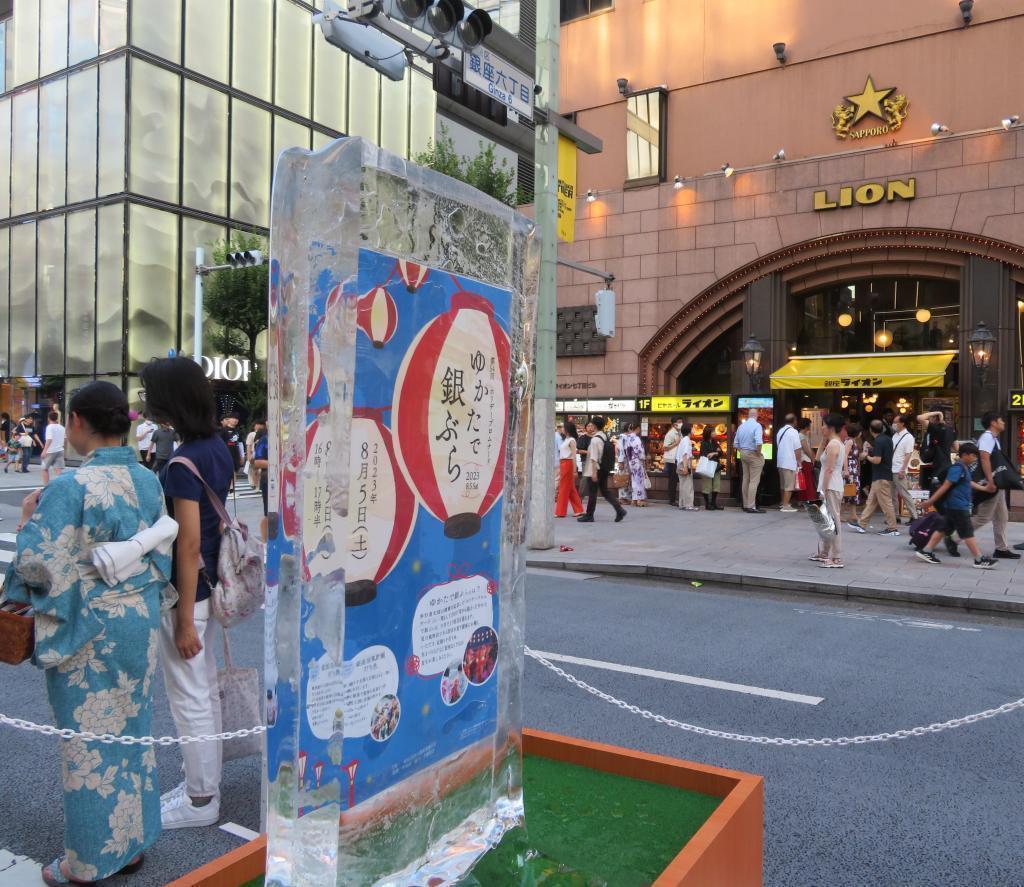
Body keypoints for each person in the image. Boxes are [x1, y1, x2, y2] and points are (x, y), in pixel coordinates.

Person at [2, 382, 170, 885]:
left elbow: (38, 562)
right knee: (133, 731)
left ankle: (90, 862)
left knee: (89, 745)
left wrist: (30, 519)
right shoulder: (146, 480)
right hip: (137, 620)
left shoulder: (69, 488)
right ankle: (132, 844)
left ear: (76, 422)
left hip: (89, 629)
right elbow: (158, 551)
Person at [140, 356, 235, 829]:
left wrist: (180, 620)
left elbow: (189, 542)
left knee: (191, 698)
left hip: (190, 596)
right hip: (212, 589)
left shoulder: (182, 461)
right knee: (202, 693)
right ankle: (202, 787)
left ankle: (201, 801)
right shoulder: (217, 447)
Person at [916, 442, 997, 569]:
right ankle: (979, 559)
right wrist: (930, 501)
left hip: (955, 505)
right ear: (965, 455)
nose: (975, 459)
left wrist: (984, 489)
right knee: (967, 532)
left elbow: (968, 482)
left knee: (943, 528)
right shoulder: (957, 468)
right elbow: (945, 486)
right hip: (958, 506)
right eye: (973, 456)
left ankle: (926, 551)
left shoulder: (963, 468)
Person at [973, 411, 1021, 560]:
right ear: (993, 422)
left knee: (1002, 516)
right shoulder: (987, 437)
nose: (1003, 423)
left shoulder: (993, 438)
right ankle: (952, 536)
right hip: (991, 483)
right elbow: (984, 458)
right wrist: (991, 481)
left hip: (995, 483)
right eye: (1001, 420)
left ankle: (1001, 548)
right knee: (983, 517)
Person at [849, 419, 899, 536]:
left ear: (871, 430)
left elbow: (877, 460)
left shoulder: (879, 441)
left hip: (881, 476)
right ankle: (862, 524)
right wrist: (871, 450)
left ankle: (892, 528)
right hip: (883, 475)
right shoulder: (887, 439)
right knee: (871, 501)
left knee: (886, 503)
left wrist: (866, 456)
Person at [578, 416, 626, 523]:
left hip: (596, 469)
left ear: (594, 425)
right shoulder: (604, 436)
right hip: (604, 468)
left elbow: (594, 457)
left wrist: (594, 472)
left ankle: (589, 515)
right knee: (604, 491)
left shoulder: (595, 439)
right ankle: (619, 510)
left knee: (592, 492)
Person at [815, 413, 846, 568]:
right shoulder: (834, 443)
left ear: (831, 427)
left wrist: (824, 489)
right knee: (829, 521)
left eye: (824, 425)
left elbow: (829, 469)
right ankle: (827, 553)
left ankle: (836, 557)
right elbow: (818, 458)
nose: (821, 428)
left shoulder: (834, 444)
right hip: (832, 485)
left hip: (831, 486)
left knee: (833, 521)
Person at [734, 408, 765, 513]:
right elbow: (759, 442)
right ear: (756, 415)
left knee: (746, 479)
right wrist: (758, 453)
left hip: (742, 453)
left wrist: (742, 451)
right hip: (753, 453)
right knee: (754, 481)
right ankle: (751, 506)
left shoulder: (741, 426)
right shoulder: (757, 426)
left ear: (748, 415)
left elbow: (735, 444)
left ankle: (746, 504)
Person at [889, 412, 918, 524]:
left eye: (896, 422)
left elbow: (908, 454)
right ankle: (895, 516)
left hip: (899, 469)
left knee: (904, 493)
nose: (894, 424)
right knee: (892, 494)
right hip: (891, 467)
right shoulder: (895, 435)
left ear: (902, 424)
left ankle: (914, 516)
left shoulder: (908, 437)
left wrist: (902, 469)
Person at [917, 410, 955, 492]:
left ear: (935, 417)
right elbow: (956, 447)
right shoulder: (951, 430)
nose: (930, 419)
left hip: (938, 466)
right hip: (948, 464)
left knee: (935, 492)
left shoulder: (936, 428)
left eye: (931, 417)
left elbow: (919, 418)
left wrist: (937, 412)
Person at [554, 420, 584, 518]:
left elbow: (574, 456)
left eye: (563, 427)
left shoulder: (572, 440)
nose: (561, 428)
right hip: (564, 463)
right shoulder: (565, 440)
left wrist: (575, 470)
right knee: (570, 488)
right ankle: (579, 510)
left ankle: (560, 512)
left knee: (563, 488)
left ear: (567, 429)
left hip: (568, 463)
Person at [775, 414, 802, 512]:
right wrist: (799, 461)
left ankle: (783, 502)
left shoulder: (780, 431)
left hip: (781, 462)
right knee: (789, 486)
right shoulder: (793, 432)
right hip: (789, 462)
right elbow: (797, 448)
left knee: (783, 485)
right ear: (794, 421)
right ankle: (786, 506)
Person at [842, 423, 864, 523]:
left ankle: (853, 514)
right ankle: (840, 513)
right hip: (850, 469)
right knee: (848, 491)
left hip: (853, 468)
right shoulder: (850, 441)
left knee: (852, 491)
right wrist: (846, 470)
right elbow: (845, 455)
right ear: (858, 433)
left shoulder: (851, 441)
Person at [698, 425, 723, 510]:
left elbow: (721, 453)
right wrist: (715, 452)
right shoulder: (703, 443)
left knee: (716, 485)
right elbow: (705, 455)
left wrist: (714, 453)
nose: (715, 433)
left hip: (716, 466)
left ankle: (713, 503)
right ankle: (707, 504)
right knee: (706, 486)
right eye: (713, 432)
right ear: (708, 433)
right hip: (707, 466)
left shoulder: (714, 442)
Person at [622, 423, 647, 507]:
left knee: (634, 479)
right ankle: (640, 500)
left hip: (630, 460)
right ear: (637, 428)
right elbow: (640, 451)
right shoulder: (636, 438)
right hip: (637, 460)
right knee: (639, 479)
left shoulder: (627, 438)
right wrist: (643, 458)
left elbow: (625, 450)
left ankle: (634, 499)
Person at [675, 421, 698, 511]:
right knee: (688, 486)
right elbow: (685, 455)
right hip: (685, 464)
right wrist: (686, 468)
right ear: (689, 430)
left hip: (680, 464)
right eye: (692, 428)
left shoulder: (683, 440)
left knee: (683, 485)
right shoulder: (687, 440)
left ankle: (682, 504)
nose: (693, 430)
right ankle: (688, 505)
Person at [39, 411, 66, 485]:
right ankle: (60, 486)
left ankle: (46, 486)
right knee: (58, 470)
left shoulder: (49, 427)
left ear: (48, 418)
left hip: (50, 451)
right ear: (57, 418)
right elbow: (65, 439)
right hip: (60, 450)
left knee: (44, 469)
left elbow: (49, 439)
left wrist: (44, 450)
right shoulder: (62, 427)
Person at [662, 417, 682, 508]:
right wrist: (676, 443)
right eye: (679, 422)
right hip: (672, 459)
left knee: (676, 479)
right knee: (673, 480)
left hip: (677, 459)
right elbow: (665, 447)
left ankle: (675, 499)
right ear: (674, 424)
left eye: (681, 421)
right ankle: (672, 500)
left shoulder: (679, 432)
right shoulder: (670, 434)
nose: (681, 423)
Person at [795, 417, 816, 503]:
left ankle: (803, 499)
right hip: (805, 460)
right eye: (809, 425)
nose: (810, 427)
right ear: (806, 426)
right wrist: (813, 458)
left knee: (805, 480)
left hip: (804, 460)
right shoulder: (801, 436)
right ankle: (808, 498)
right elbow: (807, 450)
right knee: (807, 480)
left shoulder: (802, 435)